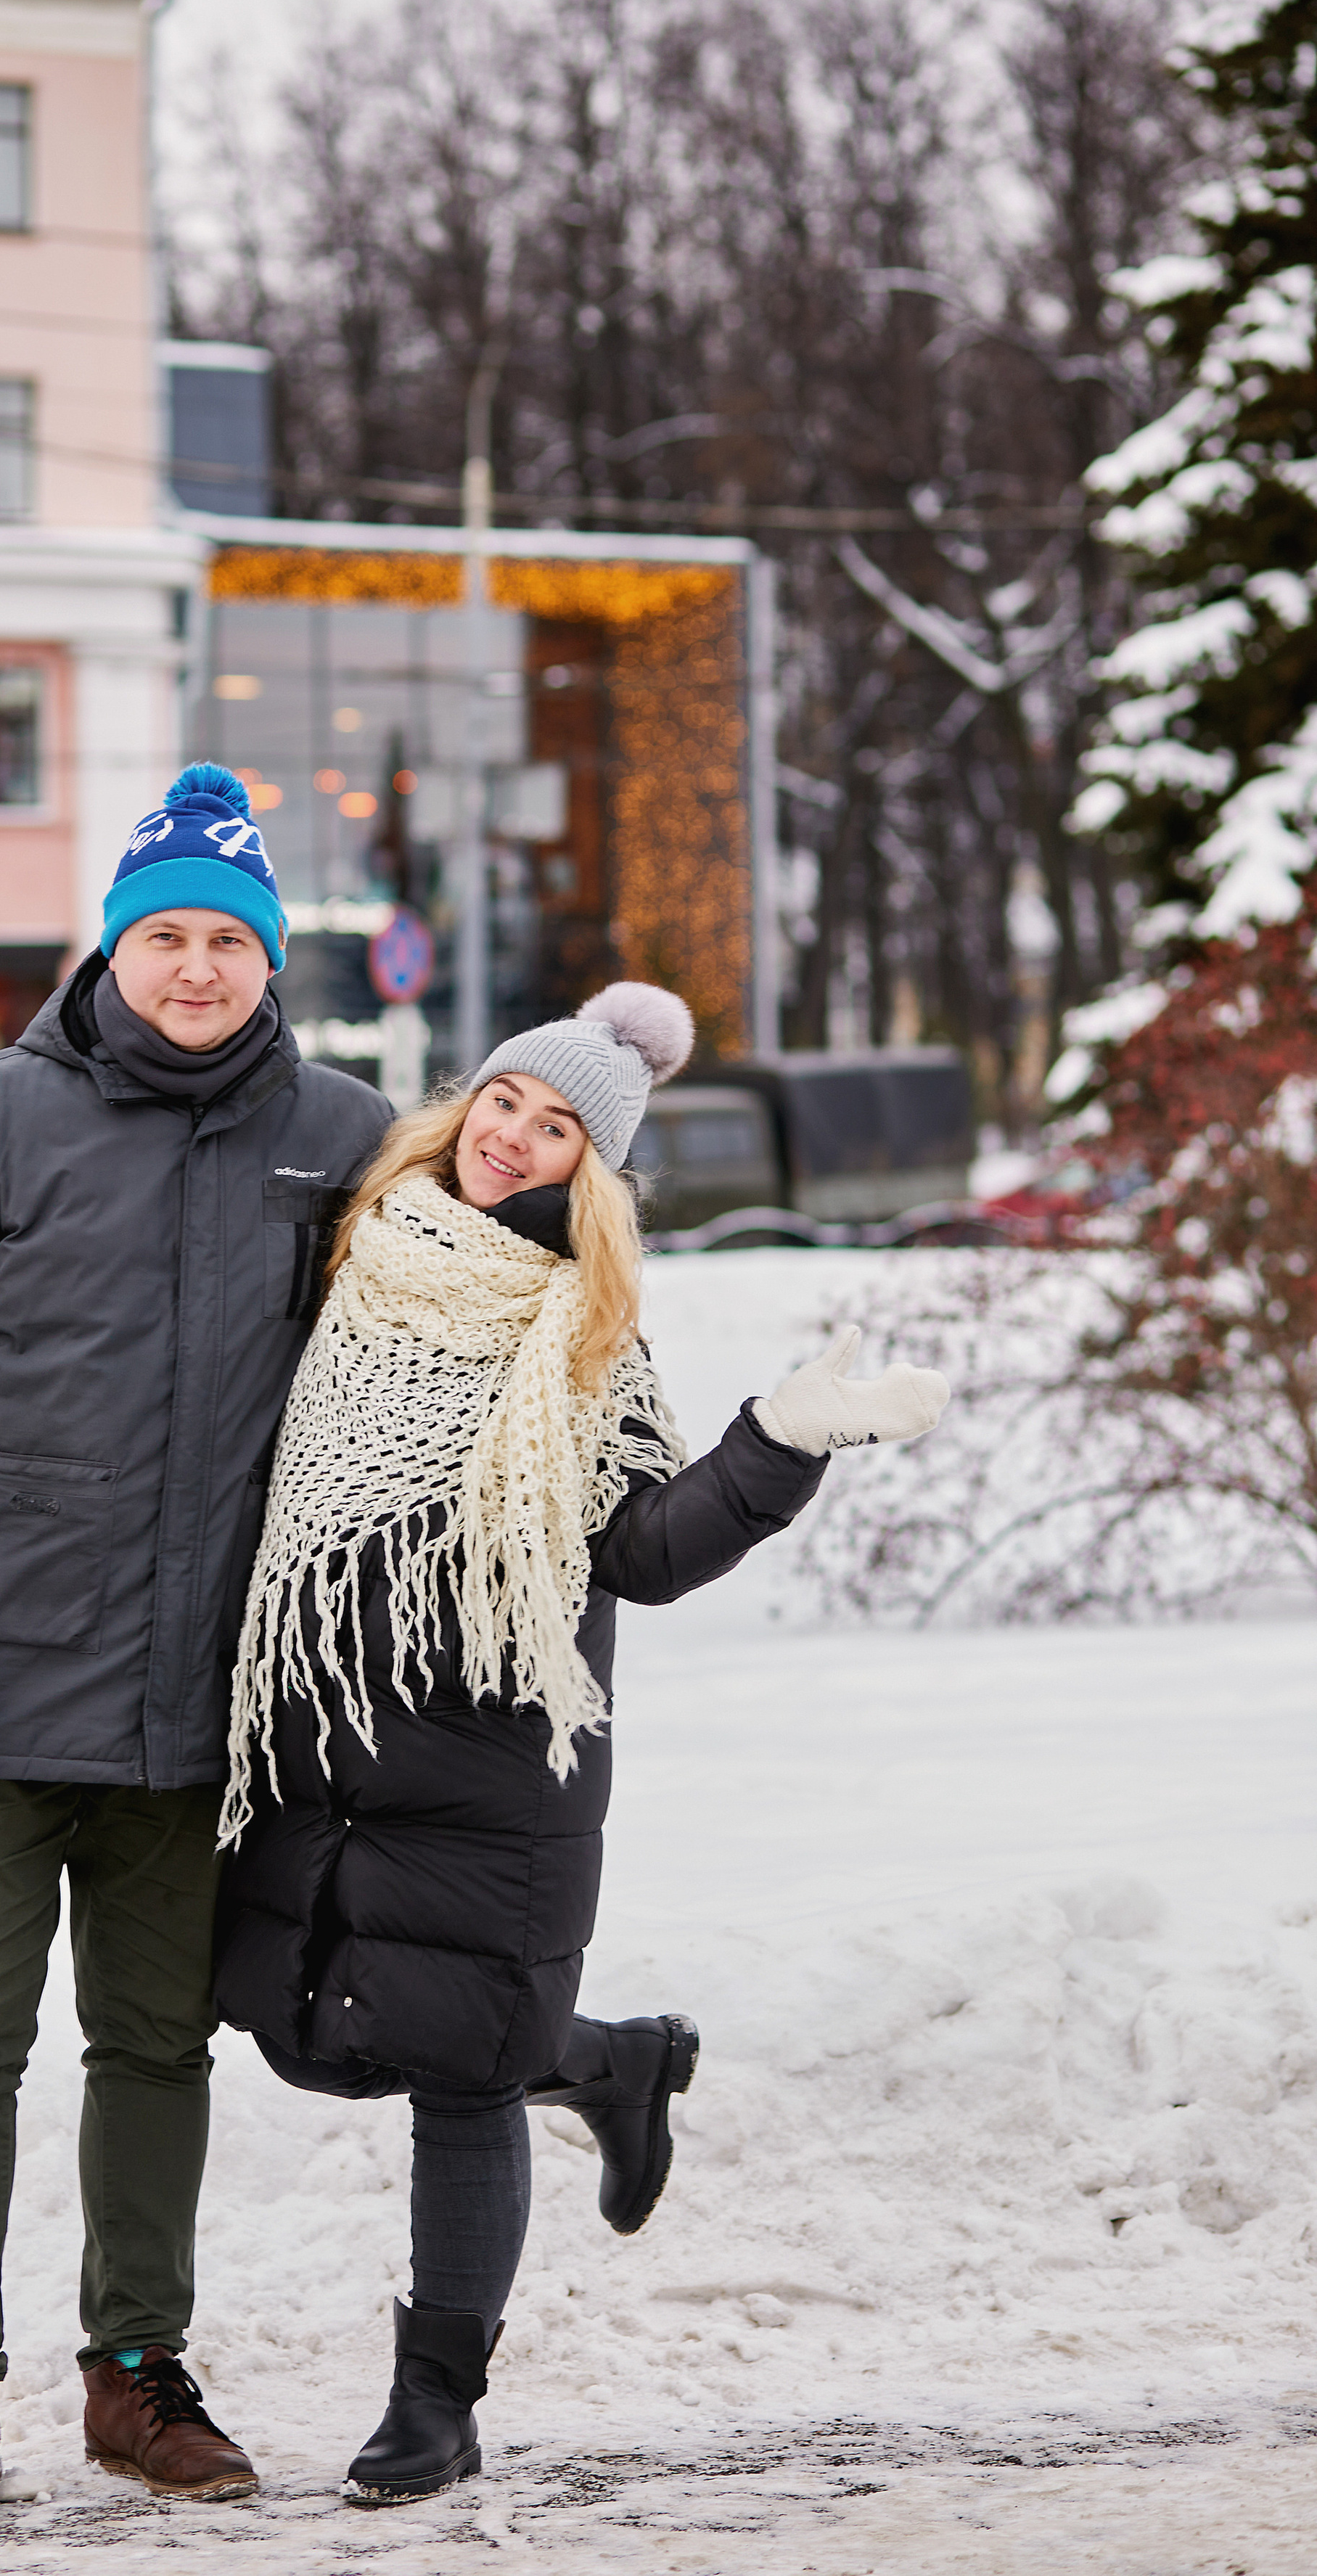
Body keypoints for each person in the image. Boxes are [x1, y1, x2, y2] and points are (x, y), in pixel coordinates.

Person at [213, 982, 950, 2506]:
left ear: (586, 1170)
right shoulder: (358, 1253)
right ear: (465, 1101)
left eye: (556, 1129)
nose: (513, 1137)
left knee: (461, 2074)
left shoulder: (580, 1334)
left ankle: (436, 2403)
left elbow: (648, 1551)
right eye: (504, 1101)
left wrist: (780, 1442)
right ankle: (612, 2065)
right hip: (321, 1737)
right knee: (305, 2029)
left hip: (493, 1759)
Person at [0, 763, 393, 2523]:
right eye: (167, 938)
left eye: (228, 939)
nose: (196, 967)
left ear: (270, 957)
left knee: (154, 2042)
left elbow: (446, 1329)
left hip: (196, 1699)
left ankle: (135, 2370)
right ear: (114, 950)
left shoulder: (342, 1135)